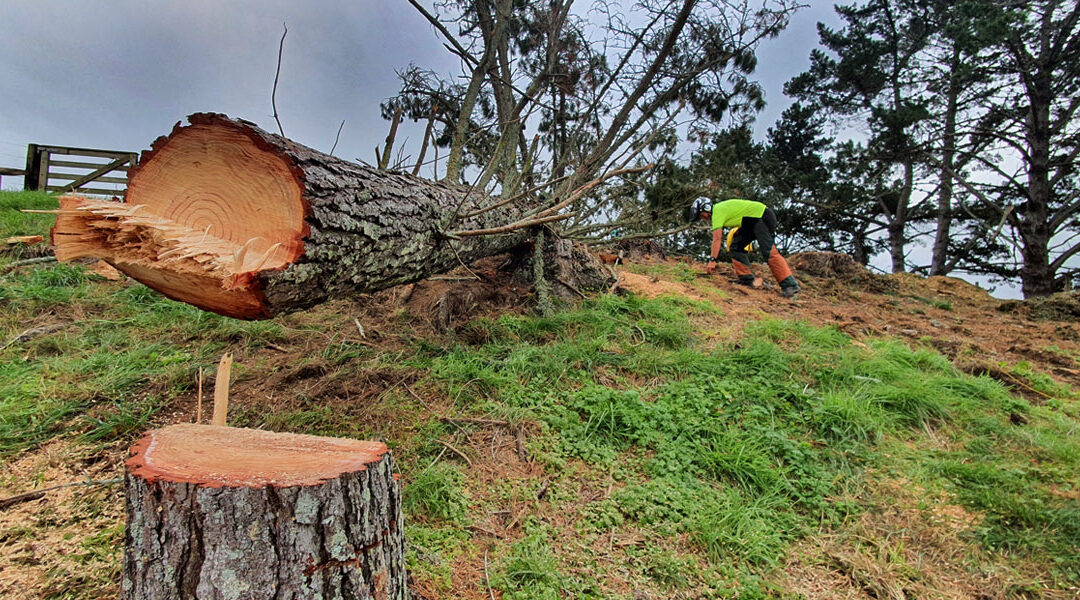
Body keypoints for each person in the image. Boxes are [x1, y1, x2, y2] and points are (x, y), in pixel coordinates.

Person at [693, 193, 800, 298]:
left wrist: (712, 260)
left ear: (706, 208)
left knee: (769, 251)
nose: (702, 217)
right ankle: (746, 278)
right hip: (751, 222)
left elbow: (717, 239)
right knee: (736, 246)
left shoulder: (716, 212)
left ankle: (790, 286)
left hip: (762, 216)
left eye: (701, 214)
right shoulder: (718, 210)